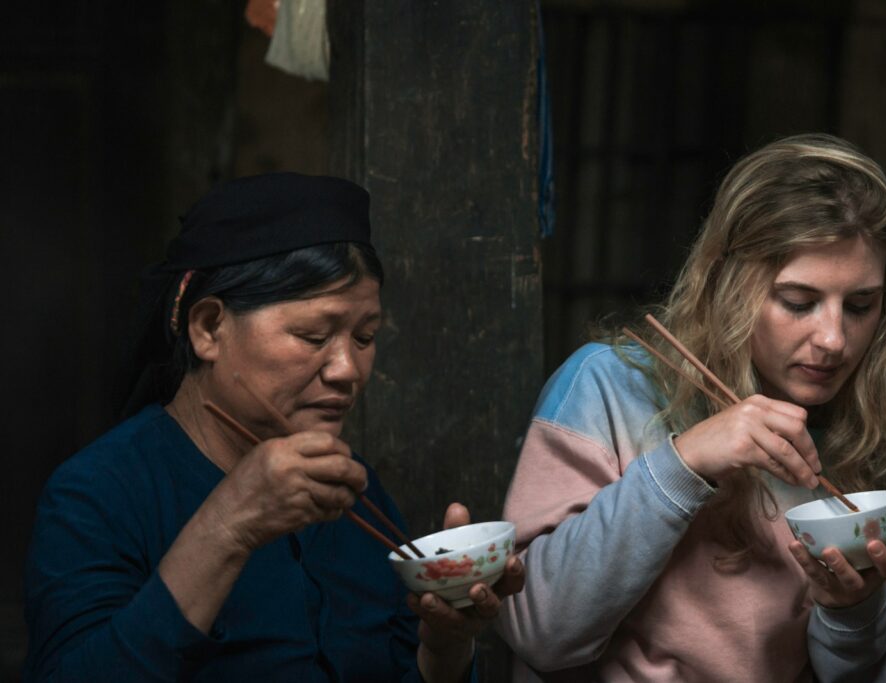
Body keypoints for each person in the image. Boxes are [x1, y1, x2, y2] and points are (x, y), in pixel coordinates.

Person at [496, 133, 886, 681]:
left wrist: (855, 614)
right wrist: (682, 464)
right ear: (729, 284)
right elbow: (536, 632)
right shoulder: (610, 388)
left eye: (860, 305)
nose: (834, 338)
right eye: (799, 302)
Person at [23, 173, 524, 682]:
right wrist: (228, 525)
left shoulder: (352, 488)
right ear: (209, 328)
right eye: (312, 335)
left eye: (365, 336)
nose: (347, 369)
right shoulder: (99, 494)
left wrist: (444, 650)